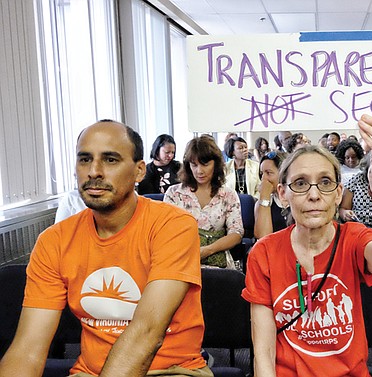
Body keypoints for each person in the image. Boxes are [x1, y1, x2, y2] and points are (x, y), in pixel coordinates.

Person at [0, 120, 210, 377]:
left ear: (139, 171)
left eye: (110, 160)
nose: (94, 171)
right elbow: (28, 350)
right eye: (85, 160)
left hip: (172, 371)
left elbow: (146, 334)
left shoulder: (173, 226)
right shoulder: (54, 241)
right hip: (92, 372)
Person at [242, 114, 372, 376]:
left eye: (325, 182)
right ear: (283, 194)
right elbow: (263, 352)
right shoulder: (264, 252)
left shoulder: (354, 238)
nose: (313, 194)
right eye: (300, 183)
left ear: (337, 194)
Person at [165, 135, 243, 269]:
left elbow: (236, 233)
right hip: (181, 261)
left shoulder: (228, 195)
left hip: (218, 264)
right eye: (194, 165)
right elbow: (166, 232)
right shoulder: (174, 193)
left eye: (205, 164)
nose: (199, 171)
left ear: (216, 164)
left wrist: (209, 249)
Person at [254, 151, 288, 239]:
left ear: (283, 174)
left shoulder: (298, 199)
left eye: (268, 173)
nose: (263, 178)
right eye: (262, 174)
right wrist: (265, 196)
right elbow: (263, 237)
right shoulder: (261, 204)